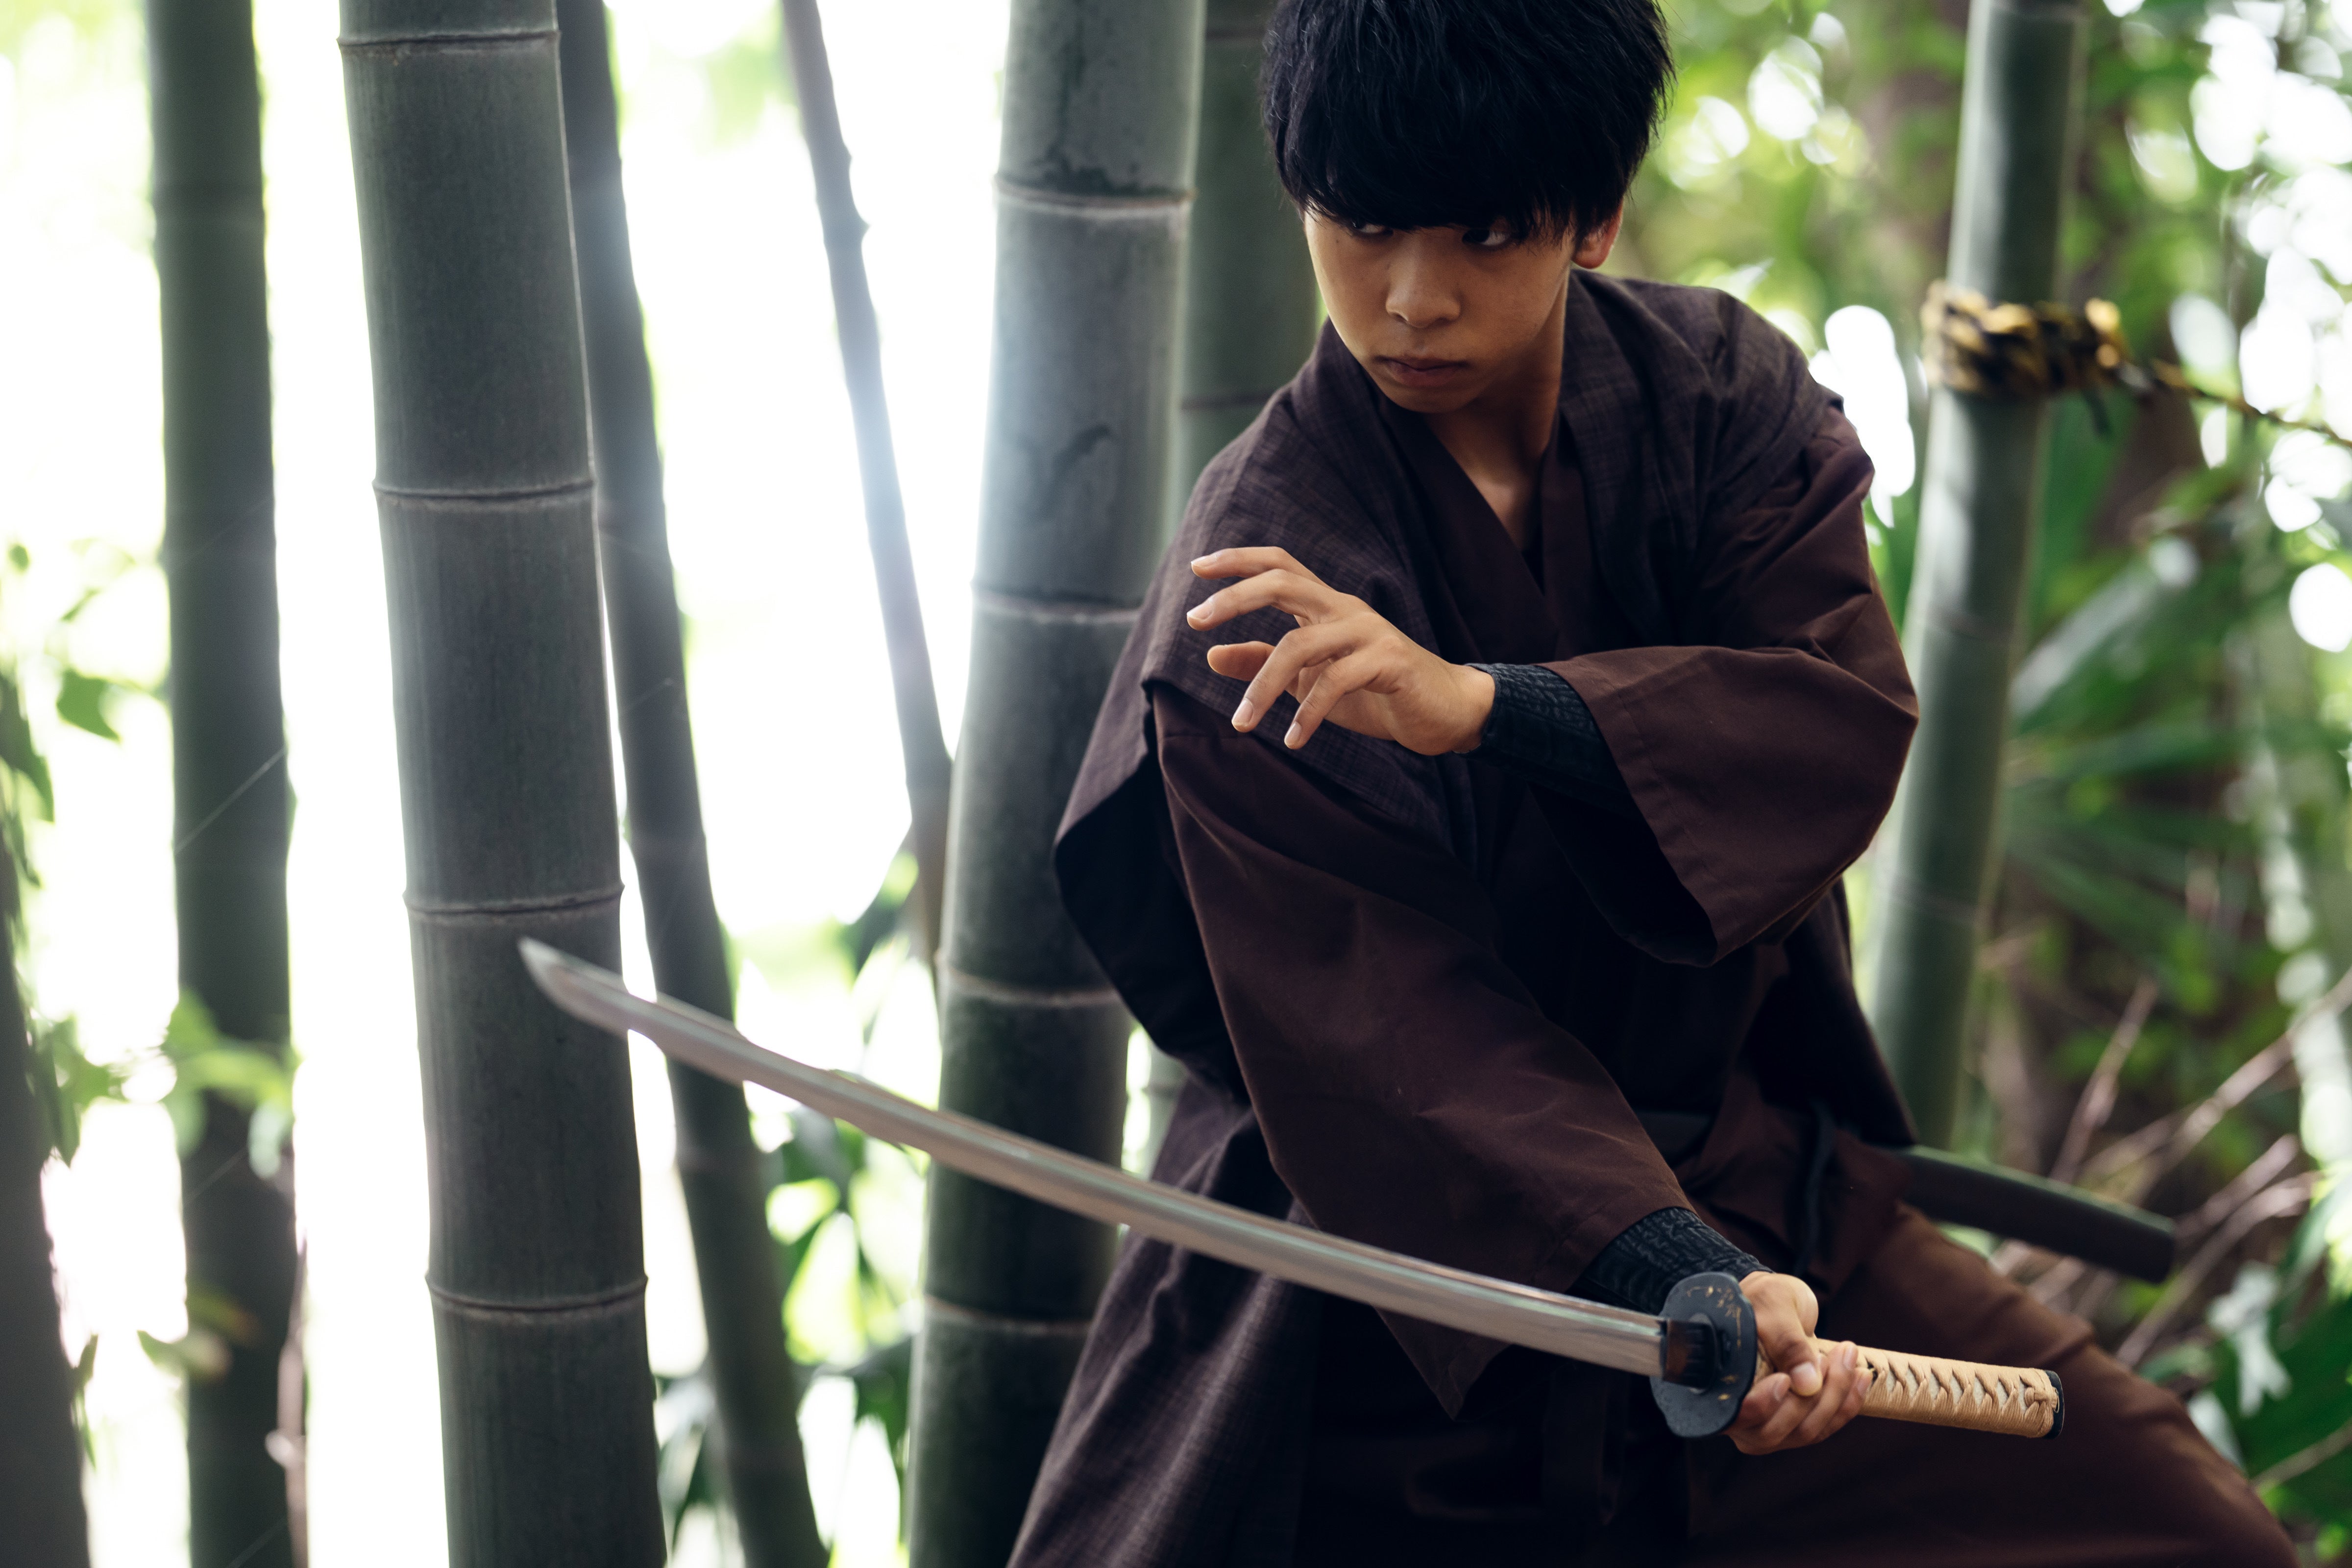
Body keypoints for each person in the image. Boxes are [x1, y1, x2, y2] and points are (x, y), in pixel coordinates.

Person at [1014, 0, 2291, 1562]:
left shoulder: (1721, 398)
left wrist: (1492, 710)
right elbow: (1384, 1023)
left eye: (1486, 233)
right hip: (1410, 1277)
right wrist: (1670, 1271)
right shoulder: (1257, 579)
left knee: (2183, 1528)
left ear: (1595, 219)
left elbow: (1827, 717)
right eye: (1360, 223)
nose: (1411, 297)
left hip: (1756, 1187)